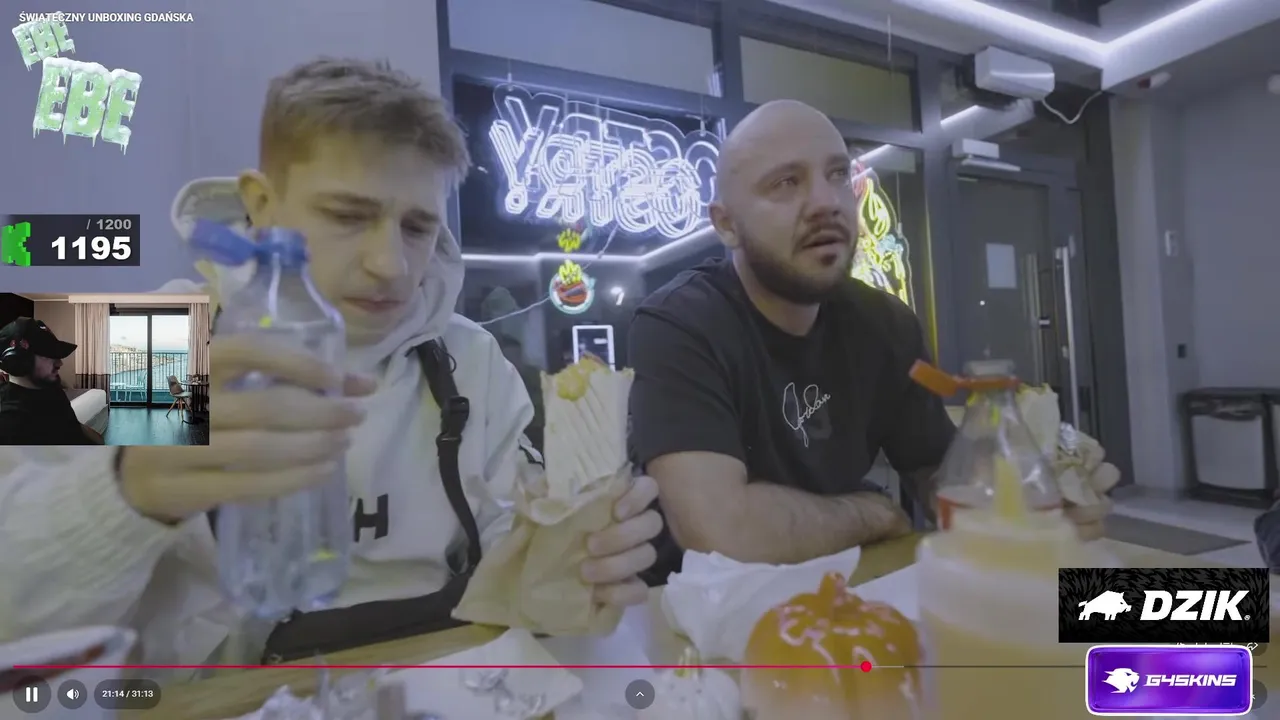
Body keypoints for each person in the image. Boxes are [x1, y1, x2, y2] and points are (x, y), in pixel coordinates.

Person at [0, 58, 662, 670]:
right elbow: (16, 618)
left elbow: (508, 556)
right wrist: (128, 493)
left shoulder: (468, 355)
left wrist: (571, 557)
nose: (391, 265)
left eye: (417, 227)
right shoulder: (159, 343)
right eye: (348, 215)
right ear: (261, 204)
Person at [628, 100, 1106, 566]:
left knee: (1116, 608)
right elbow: (717, 531)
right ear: (726, 225)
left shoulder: (885, 324)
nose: (826, 202)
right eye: (786, 182)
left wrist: (1025, 498)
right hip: (698, 607)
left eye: (837, 174)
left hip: (857, 589)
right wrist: (873, 513)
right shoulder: (680, 324)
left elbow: (934, 471)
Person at [0, 317, 104, 445]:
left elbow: (75, 427)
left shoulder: (52, 390)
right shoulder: (9, 420)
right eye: (49, 355)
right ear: (17, 359)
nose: (60, 363)